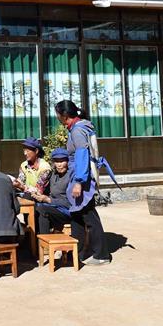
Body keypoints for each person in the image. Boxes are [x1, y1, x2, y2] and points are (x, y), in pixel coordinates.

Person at [55, 100, 110, 265]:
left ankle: (102, 255)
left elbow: (82, 155)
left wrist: (79, 182)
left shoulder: (78, 131)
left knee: (88, 216)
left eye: (57, 114)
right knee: (77, 215)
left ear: (64, 115)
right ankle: (77, 253)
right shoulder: (79, 127)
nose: (57, 117)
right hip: (79, 176)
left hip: (81, 178)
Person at [31, 147, 72, 235]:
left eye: (62, 161)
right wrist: (39, 194)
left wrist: (48, 200)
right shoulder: (53, 175)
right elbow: (50, 193)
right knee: (34, 207)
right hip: (54, 208)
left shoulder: (71, 177)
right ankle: (34, 238)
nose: (59, 165)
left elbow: (71, 203)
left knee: (42, 209)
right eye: (57, 161)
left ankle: (44, 240)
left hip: (66, 211)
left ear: (67, 162)